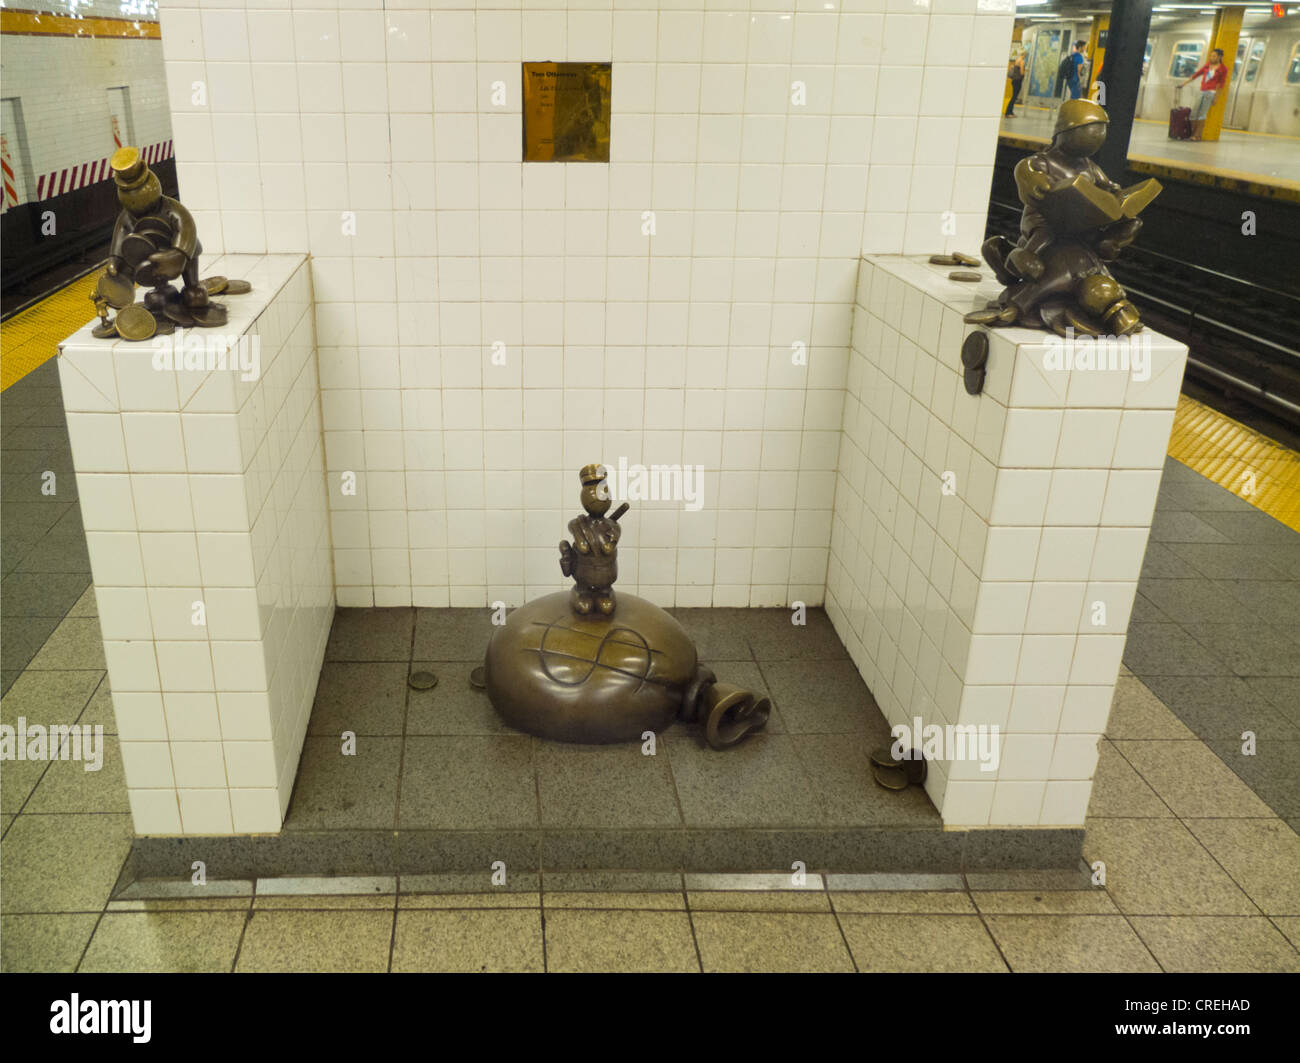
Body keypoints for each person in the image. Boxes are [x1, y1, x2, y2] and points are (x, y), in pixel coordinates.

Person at [1181, 47, 1227, 141]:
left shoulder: (1223, 69)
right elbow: (1196, 74)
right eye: (1211, 56)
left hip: (1210, 93)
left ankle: (1197, 135)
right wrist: (1184, 83)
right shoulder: (1207, 66)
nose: (1211, 57)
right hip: (1202, 91)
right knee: (1193, 114)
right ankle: (1193, 134)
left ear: (1219, 57)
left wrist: (1216, 97)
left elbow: (1221, 84)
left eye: (1214, 56)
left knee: (1202, 115)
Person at [1006, 51, 1025, 117]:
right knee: (1014, 97)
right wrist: (1023, 75)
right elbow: (1022, 72)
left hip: (1014, 80)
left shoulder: (1017, 60)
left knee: (1013, 96)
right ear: (1024, 54)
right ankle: (1008, 112)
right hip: (1018, 80)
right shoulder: (1022, 61)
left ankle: (1010, 112)